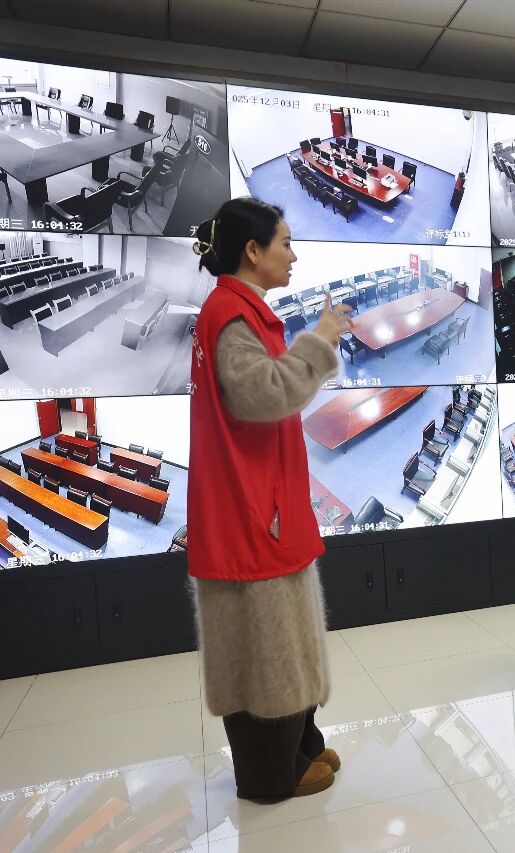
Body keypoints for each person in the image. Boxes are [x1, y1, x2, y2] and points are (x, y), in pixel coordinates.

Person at [187, 197, 354, 801]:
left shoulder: (239, 310)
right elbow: (261, 395)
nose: (293, 256)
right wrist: (320, 341)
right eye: (285, 243)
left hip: (264, 502)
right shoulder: (231, 315)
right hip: (250, 511)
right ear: (253, 251)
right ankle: (270, 772)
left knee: (284, 639)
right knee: (267, 648)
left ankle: (300, 746)